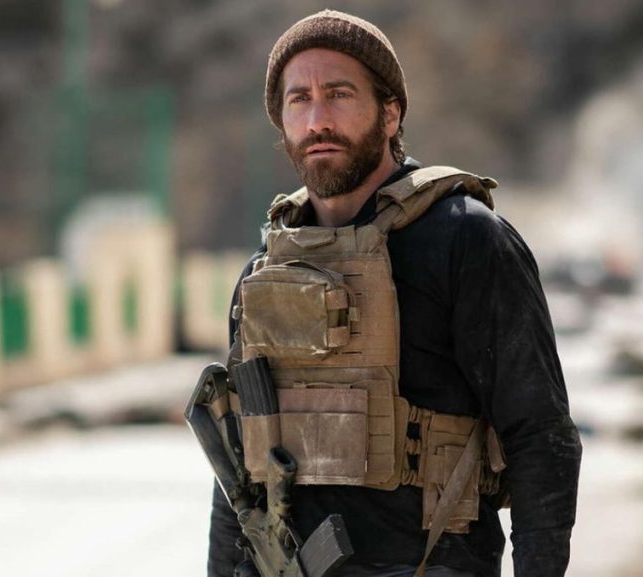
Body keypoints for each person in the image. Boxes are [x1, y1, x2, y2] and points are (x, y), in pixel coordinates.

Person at [207, 10, 581, 577]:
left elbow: (541, 435)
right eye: (299, 100)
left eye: (339, 94)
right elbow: (238, 471)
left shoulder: (464, 239)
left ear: (390, 112)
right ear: (282, 123)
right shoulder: (266, 268)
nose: (318, 120)